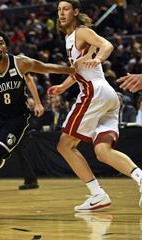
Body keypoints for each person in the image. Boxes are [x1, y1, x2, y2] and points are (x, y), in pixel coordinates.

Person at [0, 30, 75, 220]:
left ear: (6, 47)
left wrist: (72, 70)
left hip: (17, 117)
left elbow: (44, 67)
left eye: (1, 42)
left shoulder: (19, 62)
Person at [47, 0, 142, 212]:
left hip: (94, 93)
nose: (61, 13)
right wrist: (63, 86)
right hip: (107, 96)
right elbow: (78, 68)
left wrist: (98, 58)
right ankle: (140, 178)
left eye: (66, 9)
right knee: (102, 151)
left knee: (64, 145)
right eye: (59, 9)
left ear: (76, 11)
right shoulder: (69, 38)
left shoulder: (81, 31)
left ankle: (97, 194)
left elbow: (107, 45)